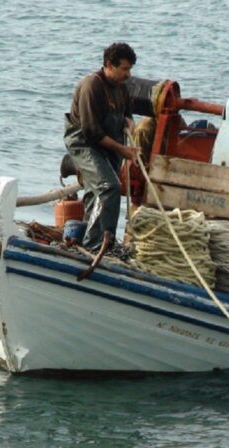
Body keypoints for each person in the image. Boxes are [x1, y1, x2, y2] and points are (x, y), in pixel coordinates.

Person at [64, 42, 141, 280]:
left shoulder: (121, 87)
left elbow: (126, 112)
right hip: (85, 144)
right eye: (124, 69)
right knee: (109, 188)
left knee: (94, 192)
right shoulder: (91, 86)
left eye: (130, 69)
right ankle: (97, 243)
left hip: (110, 144)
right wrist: (123, 150)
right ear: (109, 65)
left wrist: (129, 121)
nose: (128, 74)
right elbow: (92, 133)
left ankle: (98, 235)